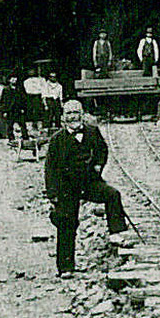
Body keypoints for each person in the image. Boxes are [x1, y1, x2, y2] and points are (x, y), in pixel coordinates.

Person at [44, 100, 129, 276]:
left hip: (89, 183)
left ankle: (116, 233)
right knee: (67, 224)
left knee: (112, 195)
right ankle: (66, 268)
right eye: (69, 113)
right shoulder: (57, 140)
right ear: (63, 118)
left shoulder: (92, 132)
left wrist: (98, 165)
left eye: (76, 112)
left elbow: (102, 150)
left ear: (82, 114)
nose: (73, 116)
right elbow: (50, 169)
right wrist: (53, 194)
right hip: (67, 187)